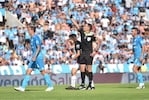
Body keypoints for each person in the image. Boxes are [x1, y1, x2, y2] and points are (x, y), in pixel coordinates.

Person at [14, 24, 54, 92]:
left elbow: (39, 47)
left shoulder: (36, 37)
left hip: (37, 57)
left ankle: (50, 86)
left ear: (32, 30)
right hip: (34, 57)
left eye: (29, 29)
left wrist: (35, 56)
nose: (28, 31)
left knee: (42, 71)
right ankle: (22, 87)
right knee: (28, 71)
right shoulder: (32, 38)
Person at [70, 15, 100, 90]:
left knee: (89, 69)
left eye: (86, 26)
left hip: (89, 53)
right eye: (84, 26)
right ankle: (83, 84)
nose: (84, 27)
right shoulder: (82, 33)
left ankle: (90, 84)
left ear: (89, 28)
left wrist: (95, 51)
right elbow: (76, 25)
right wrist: (71, 18)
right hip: (83, 53)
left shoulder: (92, 35)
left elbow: (99, 42)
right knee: (82, 69)